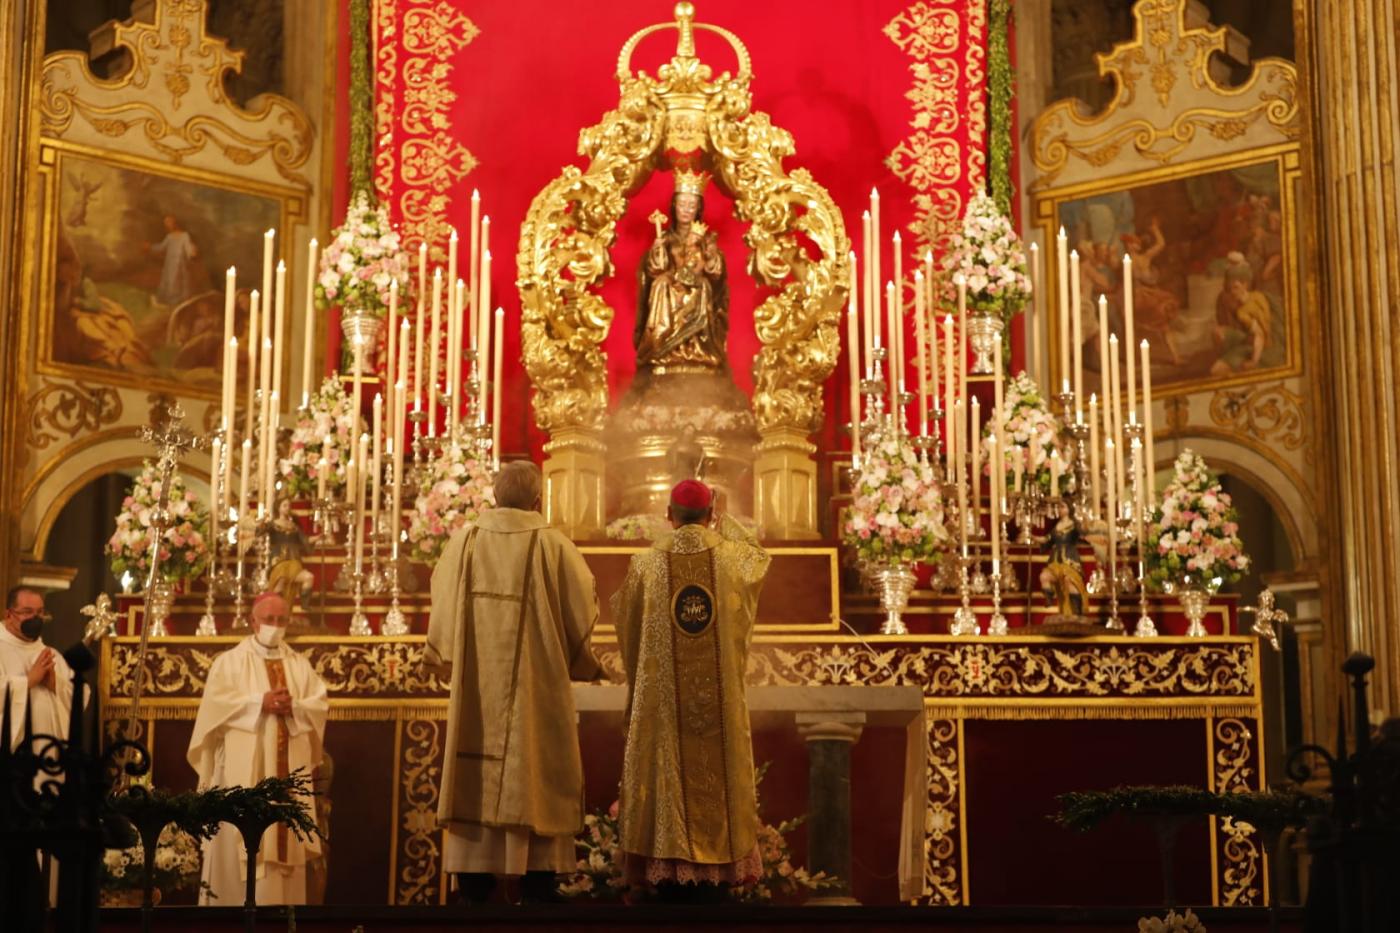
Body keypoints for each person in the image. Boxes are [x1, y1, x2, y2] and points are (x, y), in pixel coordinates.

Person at [425, 460, 602, 905]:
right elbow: (582, 609)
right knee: (534, 773)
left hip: (476, 697)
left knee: (476, 795)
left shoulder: (466, 541)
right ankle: (538, 887)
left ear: (494, 496)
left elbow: (441, 600)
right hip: (534, 694)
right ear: (538, 500)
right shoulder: (553, 545)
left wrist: (446, 656)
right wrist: (583, 661)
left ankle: (474, 887)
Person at [612, 479, 771, 902]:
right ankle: (719, 876)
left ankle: (663, 872)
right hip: (718, 704)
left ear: (668, 515)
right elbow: (760, 555)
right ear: (711, 514)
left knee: (663, 770)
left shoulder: (646, 563)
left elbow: (627, 623)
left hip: (661, 706)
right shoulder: (734, 559)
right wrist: (726, 520)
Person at [187, 592, 327, 906]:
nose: (275, 627)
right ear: (253, 621)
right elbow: (213, 710)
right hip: (240, 779)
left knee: (284, 851)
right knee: (239, 858)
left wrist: (295, 708)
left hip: (288, 775)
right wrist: (258, 703)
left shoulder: (299, 666)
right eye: (268, 620)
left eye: (281, 620)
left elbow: (318, 706)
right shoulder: (229, 662)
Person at [635, 170, 729, 370]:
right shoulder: (667, 239)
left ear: (698, 209)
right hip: (670, 284)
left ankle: (698, 349)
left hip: (696, 284)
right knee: (660, 284)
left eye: (691, 206)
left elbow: (715, 273)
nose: (686, 210)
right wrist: (658, 249)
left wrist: (711, 255)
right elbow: (654, 270)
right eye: (682, 205)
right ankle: (659, 345)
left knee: (703, 286)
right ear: (674, 206)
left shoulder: (706, 239)